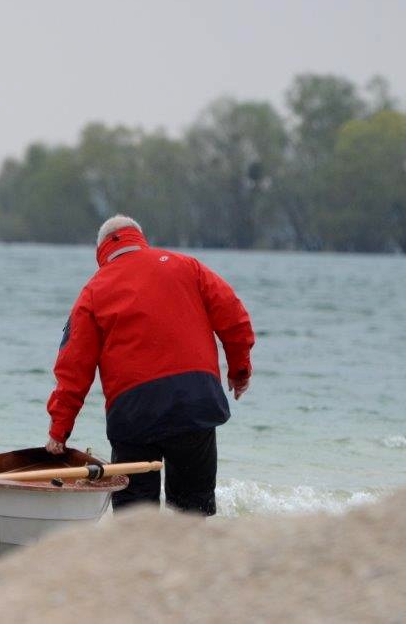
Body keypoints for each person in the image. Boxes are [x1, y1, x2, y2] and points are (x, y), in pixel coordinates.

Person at [44, 215, 254, 515]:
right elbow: (234, 317)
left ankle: (140, 558)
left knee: (135, 518)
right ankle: (191, 558)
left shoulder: (93, 292)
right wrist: (240, 370)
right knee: (192, 513)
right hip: (195, 400)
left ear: (102, 250)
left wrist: (59, 431)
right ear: (139, 238)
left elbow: (73, 369)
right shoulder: (188, 266)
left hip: (134, 411)